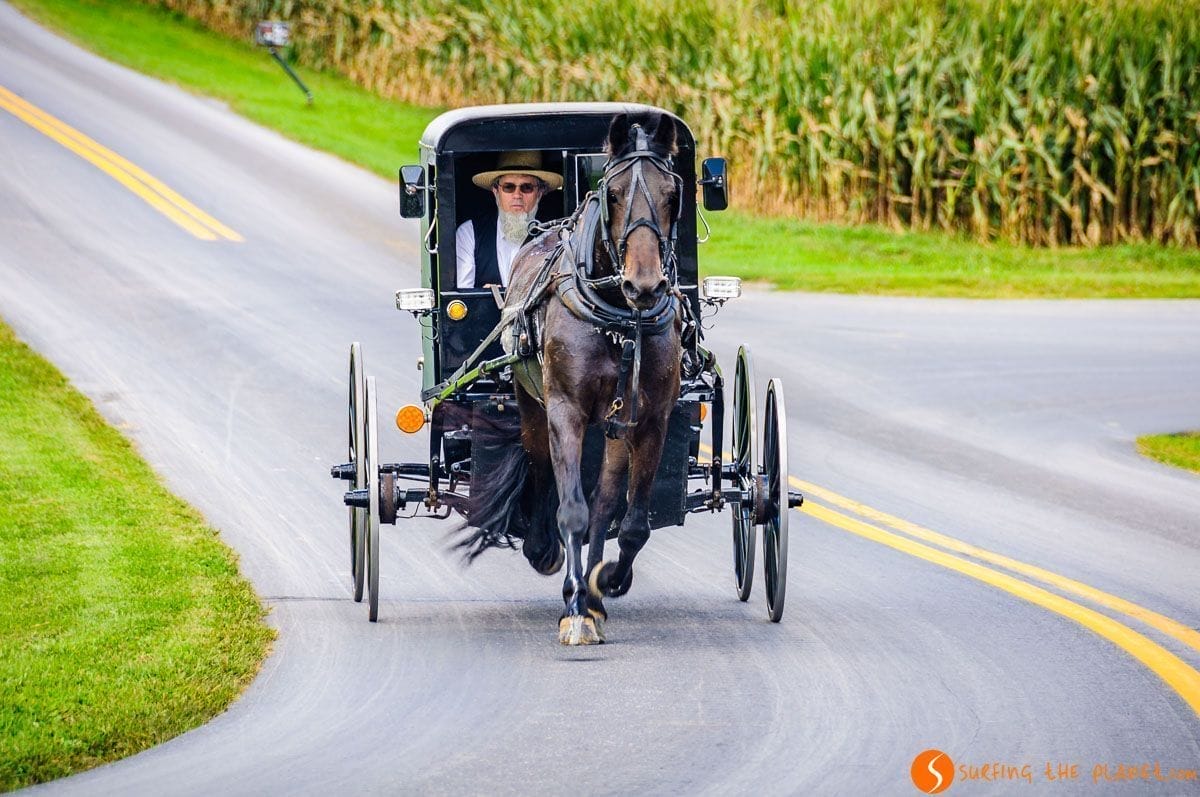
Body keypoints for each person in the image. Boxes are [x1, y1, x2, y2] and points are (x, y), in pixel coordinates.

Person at [455, 151, 562, 289]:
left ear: (539, 193)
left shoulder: (554, 235)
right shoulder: (469, 233)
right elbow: (464, 295)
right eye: (509, 187)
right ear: (496, 191)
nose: (517, 195)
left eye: (527, 187)